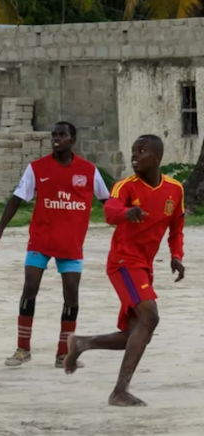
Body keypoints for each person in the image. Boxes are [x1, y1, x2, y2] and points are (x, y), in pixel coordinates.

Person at [63, 135, 185, 407]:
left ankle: (82, 343)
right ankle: (119, 391)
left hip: (144, 266)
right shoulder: (126, 186)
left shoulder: (175, 189)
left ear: (157, 157)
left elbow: (176, 228)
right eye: (133, 151)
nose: (134, 156)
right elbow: (110, 210)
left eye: (141, 151)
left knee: (137, 333)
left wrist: (176, 255)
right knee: (150, 316)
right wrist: (126, 214)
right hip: (124, 263)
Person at [0, 122, 110, 367]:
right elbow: (16, 198)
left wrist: (126, 221)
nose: (56, 139)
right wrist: (0, 229)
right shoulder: (37, 168)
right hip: (41, 240)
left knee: (71, 294)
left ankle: (63, 353)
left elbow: (107, 201)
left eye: (62, 135)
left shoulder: (88, 171)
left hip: (71, 244)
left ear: (73, 140)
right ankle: (23, 349)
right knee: (29, 288)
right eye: (54, 135)